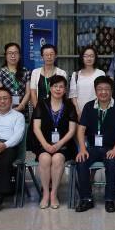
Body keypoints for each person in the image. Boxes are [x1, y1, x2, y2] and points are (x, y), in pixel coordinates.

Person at [74, 76, 115, 213]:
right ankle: (86, 199)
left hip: (112, 148)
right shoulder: (89, 106)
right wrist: (82, 149)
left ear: (112, 90)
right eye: (100, 89)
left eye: (106, 89)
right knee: (81, 160)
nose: (103, 92)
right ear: (95, 90)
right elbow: (81, 129)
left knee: (111, 162)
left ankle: (109, 199)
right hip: (92, 148)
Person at [32, 74, 78, 209]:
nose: (58, 89)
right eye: (55, 86)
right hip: (44, 144)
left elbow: (72, 130)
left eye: (61, 87)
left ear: (65, 90)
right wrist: (45, 145)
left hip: (64, 145)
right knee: (44, 158)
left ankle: (54, 194)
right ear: (50, 88)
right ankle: (46, 193)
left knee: (57, 159)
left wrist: (58, 144)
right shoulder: (42, 104)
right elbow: (36, 128)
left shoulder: (69, 106)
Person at [29, 44, 67, 114]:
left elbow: (63, 92)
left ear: (55, 56)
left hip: (57, 111)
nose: (49, 57)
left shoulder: (62, 73)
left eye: (51, 54)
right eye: (46, 55)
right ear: (42, 57)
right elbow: (33, 93)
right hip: (39, 110)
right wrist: (38, 110)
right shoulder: (35, 72)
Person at [70, 45, 107, 117]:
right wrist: (77, 111)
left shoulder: (100, 73)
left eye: (91, 56)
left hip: (97, 111)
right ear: (82, 58)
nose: (89, 58)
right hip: (79, 111)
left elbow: (103, 93)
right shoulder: (75, 75)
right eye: (86, 56)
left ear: (95, 58)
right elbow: (73, 95)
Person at [0, 42, 30, 115]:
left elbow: (28, 92)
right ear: (5, 55)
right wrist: (7, 108)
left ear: (19, 55)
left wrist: (21, 106)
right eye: (10, 53)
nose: (13, 55)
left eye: (16, 53)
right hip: (4, 110)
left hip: (22, 110)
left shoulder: (26, 71)